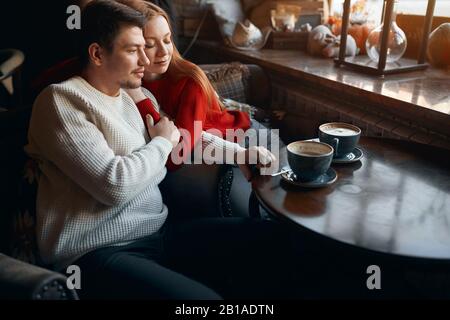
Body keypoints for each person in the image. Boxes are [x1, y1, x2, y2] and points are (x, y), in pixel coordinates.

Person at [25, 0, 294, 299]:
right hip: (95, 254)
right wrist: (162, 142)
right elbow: (114, 184)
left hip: (160, 235)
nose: (146, 59)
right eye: (133, 50)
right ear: (98, 54)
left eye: (146, 47)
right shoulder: (61, 101)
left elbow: (181, 140)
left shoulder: (134, 99)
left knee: (278, 242)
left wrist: (239, 153)